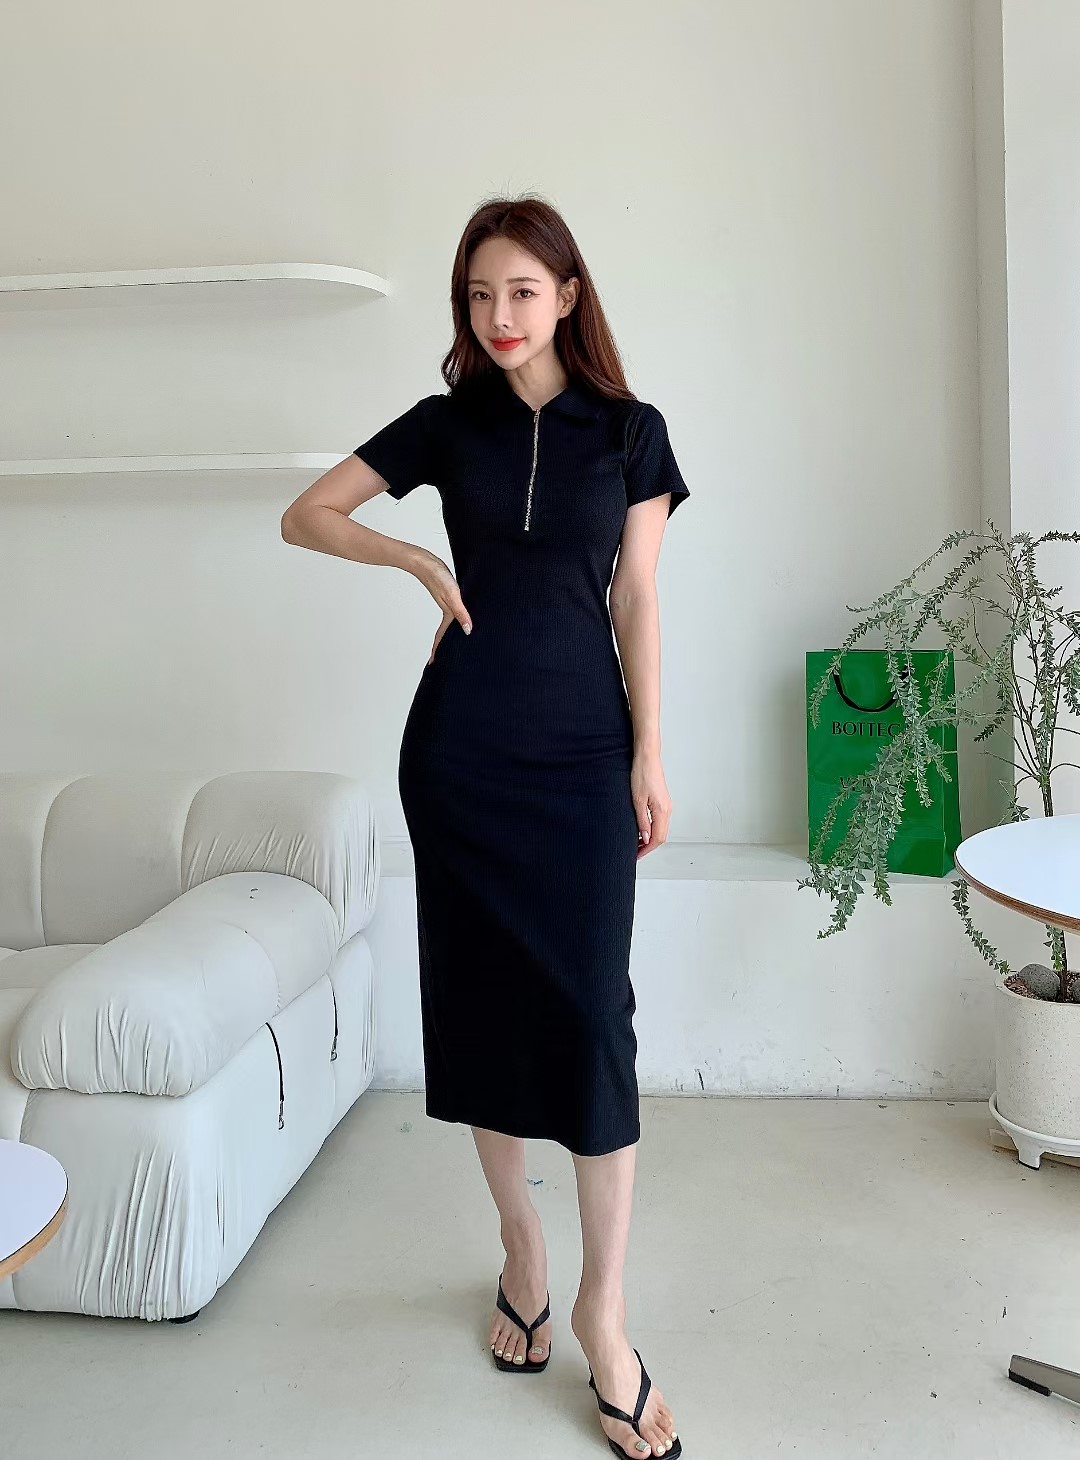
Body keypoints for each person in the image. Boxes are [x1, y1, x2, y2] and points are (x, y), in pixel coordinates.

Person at [281, 194, 689, 1459]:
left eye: (521, 290)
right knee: (478, 1003)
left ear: (566, 295)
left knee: (593, 1014)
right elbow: (307, 512)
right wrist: (417, 562)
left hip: (582, 754)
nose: (499, 315)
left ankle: (603, 1311)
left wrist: (650, 753)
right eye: (478, 294)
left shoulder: (631, 432)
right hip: (460, 752)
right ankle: (521, 1245)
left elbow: (635, 597)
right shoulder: (445, 423)